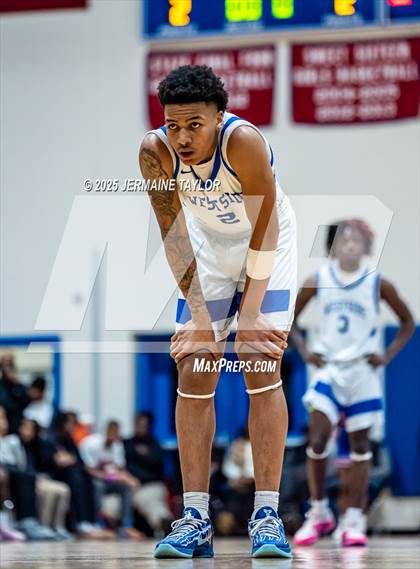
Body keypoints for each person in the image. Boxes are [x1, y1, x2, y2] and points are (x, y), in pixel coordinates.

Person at [139, 65, 297, 559]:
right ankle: (195, 517)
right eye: (174, 125)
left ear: (219, 117)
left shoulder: (242, 142)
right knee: (194, 363)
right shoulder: (155, 152)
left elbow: (265, 227)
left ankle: (267, 514)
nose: (183, 137)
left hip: (266, 244)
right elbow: (173, 235)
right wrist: (202, 322)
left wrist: (249, 316)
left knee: (259, 360)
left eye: (194, 125)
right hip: (207, 248)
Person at [291, 219, 415, 547]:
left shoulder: (377, 283)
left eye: (356, 240)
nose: (349, 244)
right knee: (318, 439)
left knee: (361, 448)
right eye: (344, 239)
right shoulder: (318, 280)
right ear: (333, 246)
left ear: (365, 247)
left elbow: (407, 322)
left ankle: (354, 518)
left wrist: (386, 356)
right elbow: (290, 320)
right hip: (329, 369)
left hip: (362, 372)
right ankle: (319, 511)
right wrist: (304, 351)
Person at [80, 420, 142, 540]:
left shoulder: (117, 445)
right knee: (98, 486)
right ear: (106, 431)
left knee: (126, 487)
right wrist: (114, 477)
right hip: (91, 480)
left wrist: (130, 479)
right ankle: (98, 522)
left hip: (109, 479)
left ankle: (126, 524)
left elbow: (119, 469)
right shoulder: (91, 444)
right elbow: (90, 470)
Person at [124, 412, 173, 535]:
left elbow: (156, 463)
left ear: (149, 427)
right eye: (138, 424)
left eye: (143, 425)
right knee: (112, 505)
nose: (140, 428)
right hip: (127, 488)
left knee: (150, 502)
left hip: (151, 485)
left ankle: (166, 524)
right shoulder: (126, 444)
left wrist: (141, 455)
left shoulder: (154, 445)